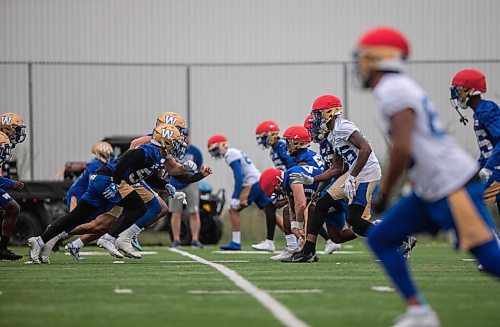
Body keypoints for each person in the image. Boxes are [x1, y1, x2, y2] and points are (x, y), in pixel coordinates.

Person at [355, 26, 500, 327]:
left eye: (366, 57)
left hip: (453, 187)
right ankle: (419, 313)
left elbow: (403, 146)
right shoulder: (396, 87)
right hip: (432, 187)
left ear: (381, 58)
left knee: (491, 260)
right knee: (382, 238)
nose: (361, 64)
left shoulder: (393, 88)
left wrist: (384, 194)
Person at [27, 124, 191, 263]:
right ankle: (109, 238)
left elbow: (147, 177)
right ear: (165, 141)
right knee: (139, 208)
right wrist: (116, 181)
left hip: (102, 178)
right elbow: (126, 159)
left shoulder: (157, 155)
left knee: (77, 217)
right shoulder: (149, 150)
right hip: (107, 179)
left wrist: (166, 185)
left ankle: (39, 240)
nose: (178, 145)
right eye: (175, 142)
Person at [290, 95, 382, 262]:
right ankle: (308, 251)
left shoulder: (343, 127)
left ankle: (398, 240)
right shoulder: (332, 135)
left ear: (330, 112)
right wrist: (313, 180)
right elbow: (337, 168)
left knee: (354, 220)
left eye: (318, 114)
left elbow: (366, 149)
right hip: (354, 172)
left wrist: (352, 177)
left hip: (368, 172)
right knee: (321, 204)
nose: (316, 119)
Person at [207, 134, 282, 251]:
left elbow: (239, 177)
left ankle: (236, 242)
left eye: (215, 149)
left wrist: (235, 197)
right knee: (270, 210)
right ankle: (294, 238)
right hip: (258, 181)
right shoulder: (233, 152)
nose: (215, 153)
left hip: (252, 184)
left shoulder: (230, 154)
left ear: (223, 145)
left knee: (233, 209)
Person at [450, 68, 499, 213]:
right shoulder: (480, 113)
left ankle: (487, 237)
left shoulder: (486, 111)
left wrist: (488, 168)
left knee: (468, 206)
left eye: (458, 89)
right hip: (496, 170)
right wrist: (475, 170)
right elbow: (487, 151)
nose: (456, 94)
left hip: (498, 172)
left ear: (469, 90)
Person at [169, 130, 205, 249]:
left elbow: (199, 167)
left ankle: (195, 239)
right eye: (182, 136)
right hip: (175, 183)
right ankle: (176, 240)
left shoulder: (195, 152)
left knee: (194, 211)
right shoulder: (173, 150)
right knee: (176, 212)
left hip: (191, 183)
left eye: (187, 135)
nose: (185, 138)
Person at [0, 118, 25, 261]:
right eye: (16, 128)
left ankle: (2, 248)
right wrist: (10, 183)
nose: (19, 133)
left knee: (12, 208)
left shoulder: (3, 140)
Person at [66, 142, 114, 212]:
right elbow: (96, 183)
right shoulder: (95, 165)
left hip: (84, 195)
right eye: (107, 154)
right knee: (75, 220)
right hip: (77, 194)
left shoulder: (98, 165)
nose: (110, 157)